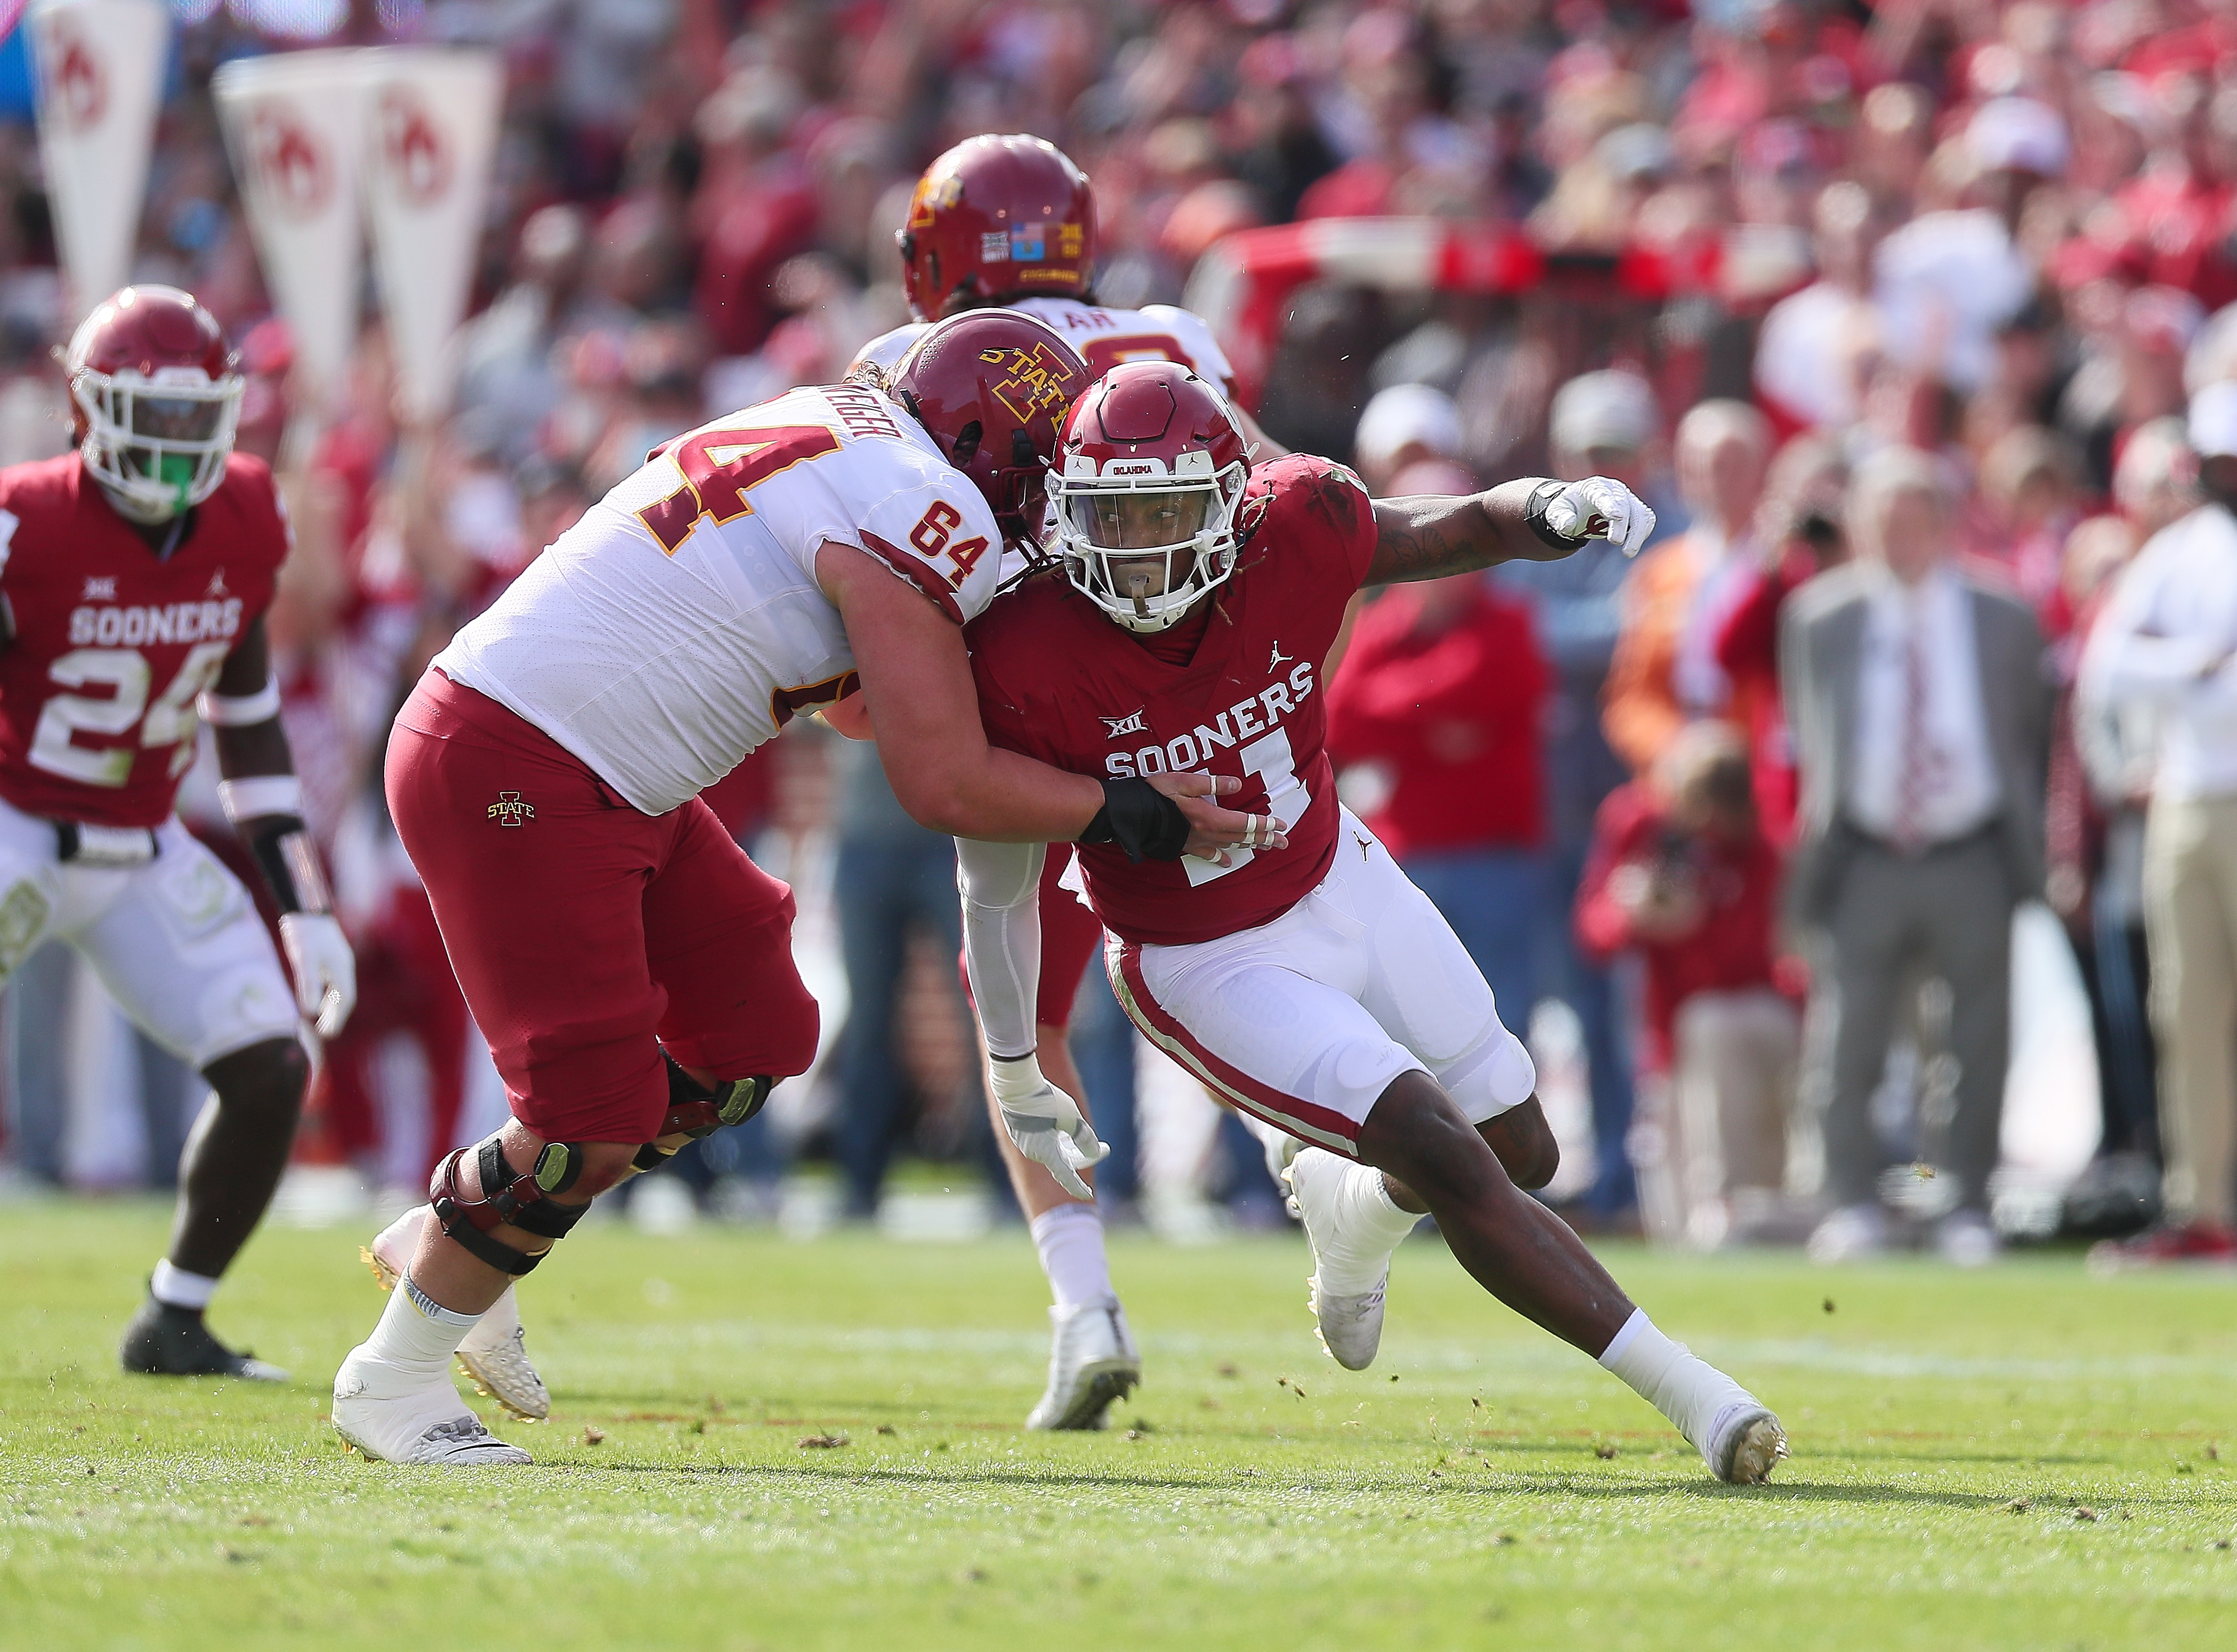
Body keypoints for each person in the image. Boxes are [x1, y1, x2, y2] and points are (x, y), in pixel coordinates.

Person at [332, 311, 1270, 1466]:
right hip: (521, 759)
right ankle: (394, 1377)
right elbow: (940, 779)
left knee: (752, 1031)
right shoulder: (924, 509)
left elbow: (851, 701)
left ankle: (455, 1234)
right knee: (591, 1116)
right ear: (991, 457)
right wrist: (1127, 799)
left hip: (603, 763)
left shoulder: (842, 426)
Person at [954, 361, 1786, 1485]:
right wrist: (1014, 1060)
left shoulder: (1295, 523)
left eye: (1167, 511)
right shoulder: (1026, 650)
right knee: (1440, 1141)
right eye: (1117, 516)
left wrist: (1550, 503)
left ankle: (1352, 1217)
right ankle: (1696, 1393)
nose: (1142, 545)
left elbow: (1442, 532)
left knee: (1519, 1147)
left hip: (1342, 873)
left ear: (1228, 504)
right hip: (1201, 953)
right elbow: (993, 867)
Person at [847, 133, 1293, 1431]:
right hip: (1173, 692)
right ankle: (1322, 1184)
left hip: (1017, 703)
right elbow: (1279, 505)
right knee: (1237, 961)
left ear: (937, 252)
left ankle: (1084, 1305)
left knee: (1023, 1026)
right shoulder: (1169, 338)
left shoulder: (899, 366)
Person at [0, 286, 357, 1378]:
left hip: (143, 839)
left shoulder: (249, 511)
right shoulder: (25, 520)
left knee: (269, 1068)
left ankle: (175, 1315)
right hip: (16, 819)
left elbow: (244, 724)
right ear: (85, 411)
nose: (171, 444)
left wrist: (304, 905)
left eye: (192, 417)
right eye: (147, 417)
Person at [1783, 447, 2050, 1266]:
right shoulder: (1822, 615)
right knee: (1849, 1037)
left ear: (1943, 523)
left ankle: (1965, 1202)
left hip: (1969, 846)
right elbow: (1813, 736)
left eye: (1912, 519)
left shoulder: (2002, 614)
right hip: (1863, 848)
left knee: (1974, 1040)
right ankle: (1852, 1202)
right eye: (1880, 520)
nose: (1896, 537)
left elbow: (2027, 735)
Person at [2081, 382, 2237, 1262]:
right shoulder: (2181, 552)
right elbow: (2109, 666)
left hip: (2200, 789)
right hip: (2188, 797)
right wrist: (2199, 667)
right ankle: (2201, 1204)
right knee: (2186, 1006)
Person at [1574, 723, 1797, 1250]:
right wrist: (1636, 912)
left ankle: (1735, 1215)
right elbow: (1595, 930)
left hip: (1738, 1017)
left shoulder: (1758, 841)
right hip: (1660, 1021)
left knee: (1718, 1031)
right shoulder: (1639, 824)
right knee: (1666, 1169)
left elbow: (1761, 951)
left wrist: (1696, 919)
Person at [1602, 400, 1773, 776]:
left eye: (1729, 465)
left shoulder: (1782, 567)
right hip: (1676, 774)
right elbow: (1632, 695)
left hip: (1759, 770)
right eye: (1698, 467)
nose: (1714, 480)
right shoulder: (1659, 572)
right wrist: (1674, 752)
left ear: (1760, 469)